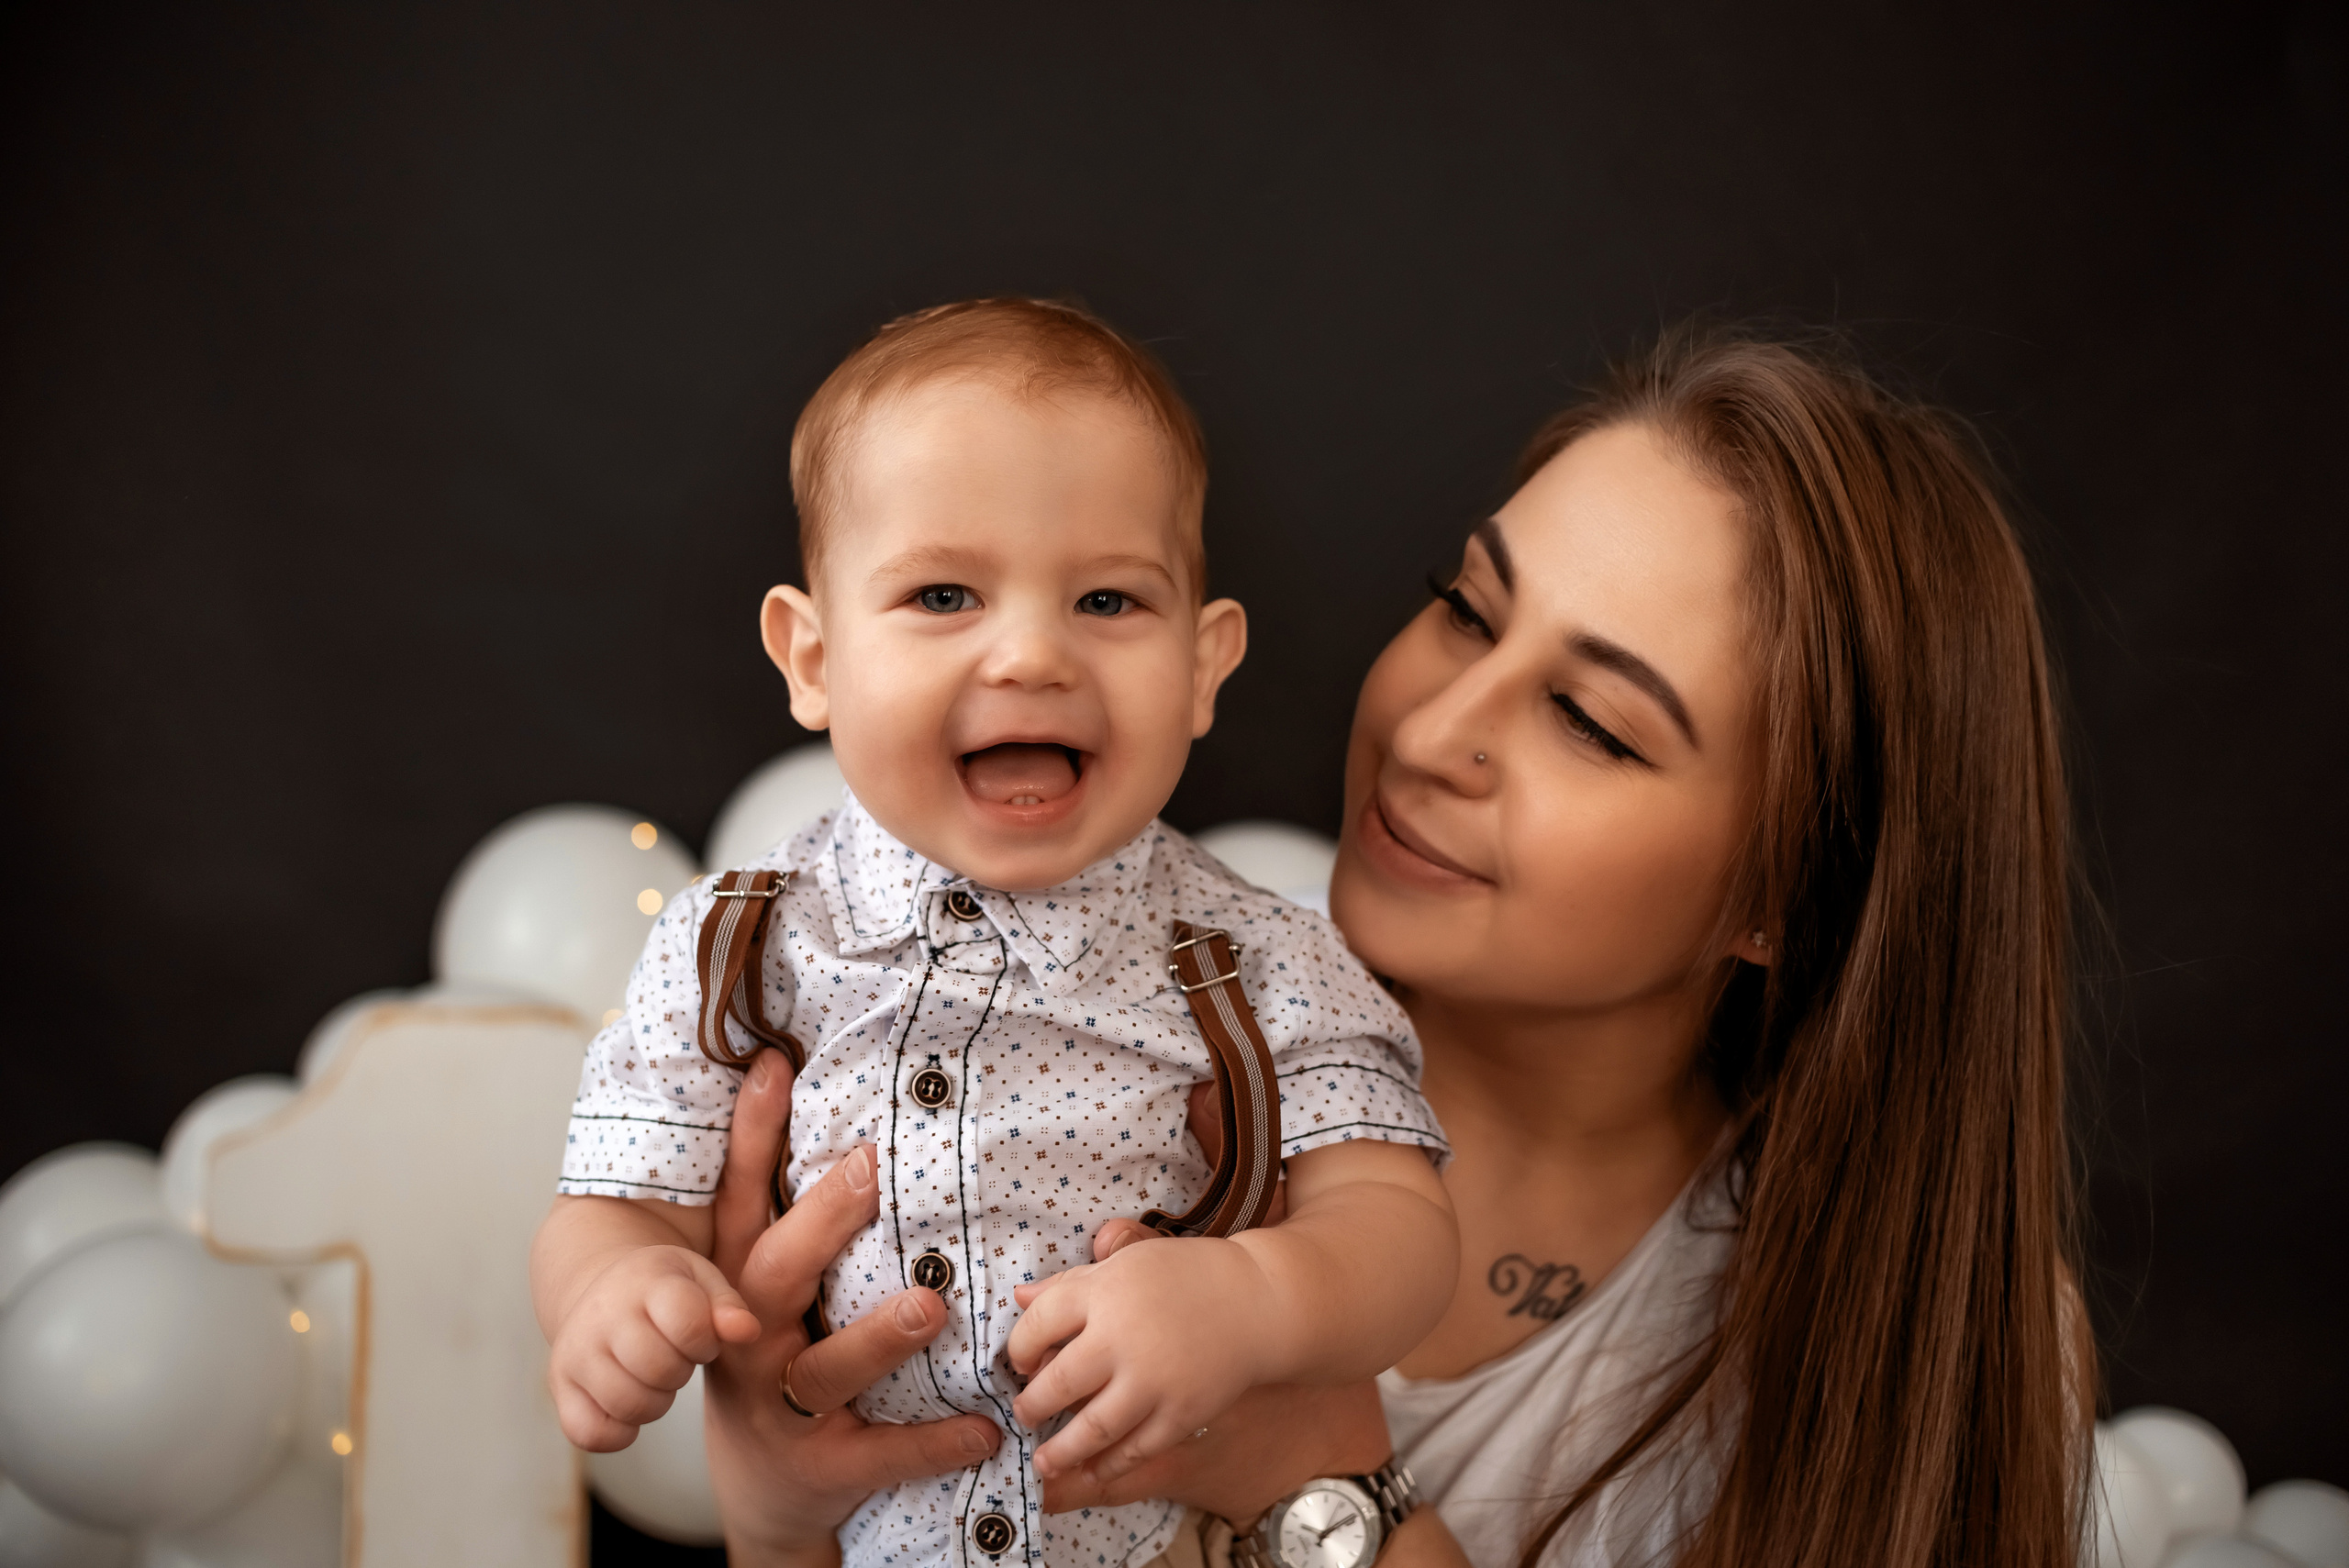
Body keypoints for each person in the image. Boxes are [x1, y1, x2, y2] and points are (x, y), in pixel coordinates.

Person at [688, 323, 2091, 1568]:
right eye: (1465, 608)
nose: (1429, 733)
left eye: (1593, 723)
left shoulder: (1912, 1349)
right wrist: (778, 1515)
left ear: (1783, 893)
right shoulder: (1086, 1040)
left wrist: (1306, 1486)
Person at [529, 298, 1459, 1568]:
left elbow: (1398, 1232)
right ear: (812, 656)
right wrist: (614, 1290)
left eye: (1109, 601)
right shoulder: (742, 949)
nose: (1030, 653)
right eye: (945, 592)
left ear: (1204, 663)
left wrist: (1255, 1298)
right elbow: (614, 1204)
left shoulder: (1260, 961)